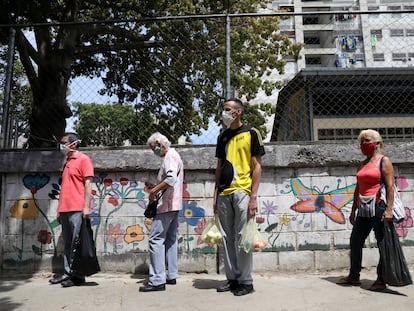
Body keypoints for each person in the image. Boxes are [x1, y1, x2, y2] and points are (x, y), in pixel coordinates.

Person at [213, 98, 265, 296]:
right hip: (224, 193)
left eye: (227, 109)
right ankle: (232, 278)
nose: (224, 113)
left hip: (243, 191)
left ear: (238, 112)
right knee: (227, 237)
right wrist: (215, 195)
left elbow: (257, 166)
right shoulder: (222, 137)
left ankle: (246, 281)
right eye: (224, 109)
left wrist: (253, 197)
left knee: (243, 237)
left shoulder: (251, 133)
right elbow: (218, 167)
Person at [337, 129, 395, 291]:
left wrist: (389, 209)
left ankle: (381, 279)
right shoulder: (362, 163)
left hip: (378, 206)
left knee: (382, 243)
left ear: (377, 143)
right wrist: (353, 209)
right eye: (361, 141)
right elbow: (358, 187)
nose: (363, 144)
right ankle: (354, 276)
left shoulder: (384, 161)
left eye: (367, 140)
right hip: (363, 207)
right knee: (355, 241)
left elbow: (390, 186)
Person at [139, 132, 184, 292]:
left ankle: (157, 280)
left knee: (155, 240)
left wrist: (153, 191)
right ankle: (171, 274)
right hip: (174, 204)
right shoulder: (175, 155)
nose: (153, 151)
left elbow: (170, 179)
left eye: (153, 147)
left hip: (166, 205)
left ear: (159, 143)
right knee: (170, 239)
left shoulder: (170, 156)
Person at [49, 132, 94, 287]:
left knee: (77, 243)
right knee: (68, 243)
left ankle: (77, 276)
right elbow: (65, 188)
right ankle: (69, 273)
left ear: (73, 144)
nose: (61, 146)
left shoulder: (84, 160)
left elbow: (88, 184)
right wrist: (58, 210)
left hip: (77, 208)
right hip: (65, 209)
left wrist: (86, 206)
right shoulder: (67, 161)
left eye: (64, 142)